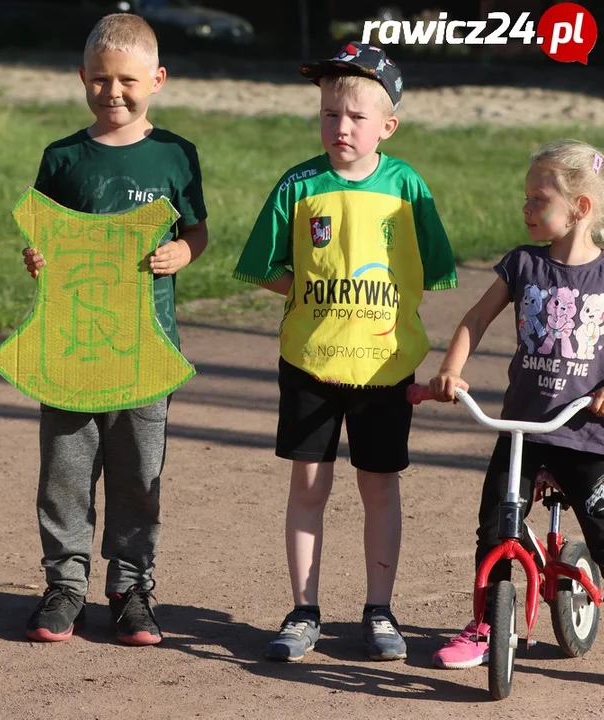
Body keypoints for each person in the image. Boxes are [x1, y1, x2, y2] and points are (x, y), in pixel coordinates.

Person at [233, 42, 458, 662]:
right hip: (310, 361)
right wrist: (304, 287)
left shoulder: (409, 185)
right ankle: (303, 610)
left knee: (379, 487)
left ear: (388, 125)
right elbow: (261, 266)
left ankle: (379, 611)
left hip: (386, 366)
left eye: (357, 116)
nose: (341, 127)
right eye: (331, 113)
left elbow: (435, 270)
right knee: (309, 485)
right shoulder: (299, 183)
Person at [20, 12, 208, 646]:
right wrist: (37, 260)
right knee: (65, 472)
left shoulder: (177, 155)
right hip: (70, 347)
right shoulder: (62, 158)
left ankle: (131, 589)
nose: (113, 92)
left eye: (128, 80)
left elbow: (196, 229)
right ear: (82, 78)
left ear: (156, 79)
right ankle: (64, 587)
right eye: (99, 80)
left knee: (137, 475)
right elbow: (40, 237)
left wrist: (185, 252)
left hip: (147, 350)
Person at [430, 139, 604, 669]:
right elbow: (476, 319)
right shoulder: (522, 264)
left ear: (580, 208)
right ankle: (484, 624)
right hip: (522, 430)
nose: (525, 210)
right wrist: (450, 370)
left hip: (584, 435)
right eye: (525, 199)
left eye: (538, 200)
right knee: (494, 527)